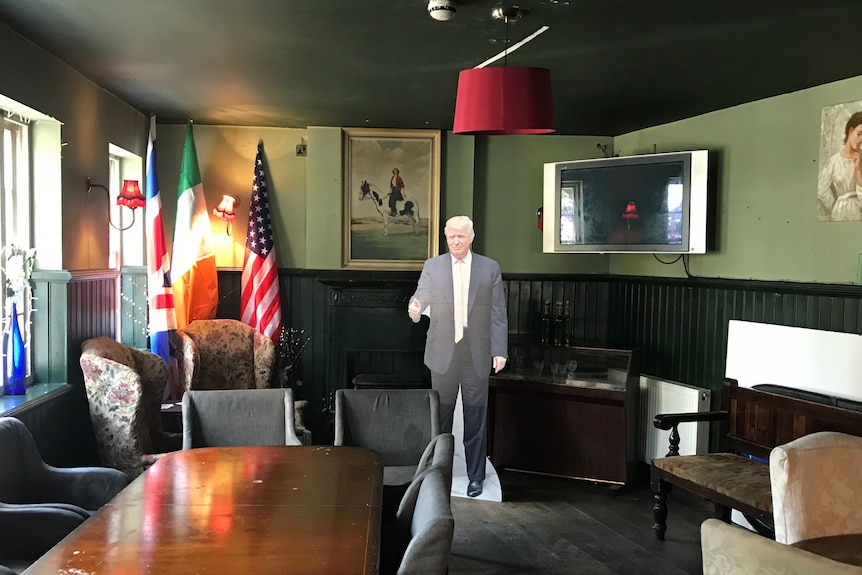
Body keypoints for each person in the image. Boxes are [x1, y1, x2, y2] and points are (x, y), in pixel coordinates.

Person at [408, 215, 508, 498]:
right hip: (442, 353)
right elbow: (420, 297)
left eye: (460, 237)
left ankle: (476, 476)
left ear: (471, 237)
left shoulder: (489, 268)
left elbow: (498, 312)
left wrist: (500, 350)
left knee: (476, 416)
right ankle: (438, 474)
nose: (455, 241)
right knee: (440, 417)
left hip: (477, 353)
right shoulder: (433, 266)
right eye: (451, 236)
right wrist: (415, 308)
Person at [818, 111, 862, 221]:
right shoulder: (834, 161)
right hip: (839, 214)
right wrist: (835, 205)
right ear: (851, 131)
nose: (861, 139)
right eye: (859, 134)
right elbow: (821, 188)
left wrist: (858, 169)